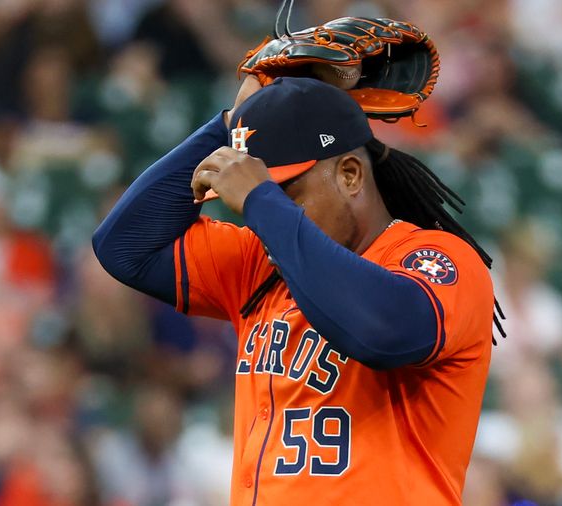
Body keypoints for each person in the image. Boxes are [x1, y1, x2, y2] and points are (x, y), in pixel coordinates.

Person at [93, 75, 497, 505]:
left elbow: (384, 331)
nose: (261, 214)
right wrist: (231, 126)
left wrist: (263, 202)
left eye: (288, 193)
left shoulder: (438, 259)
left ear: (350, 174)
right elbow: (124, 246)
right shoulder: (261, 262)